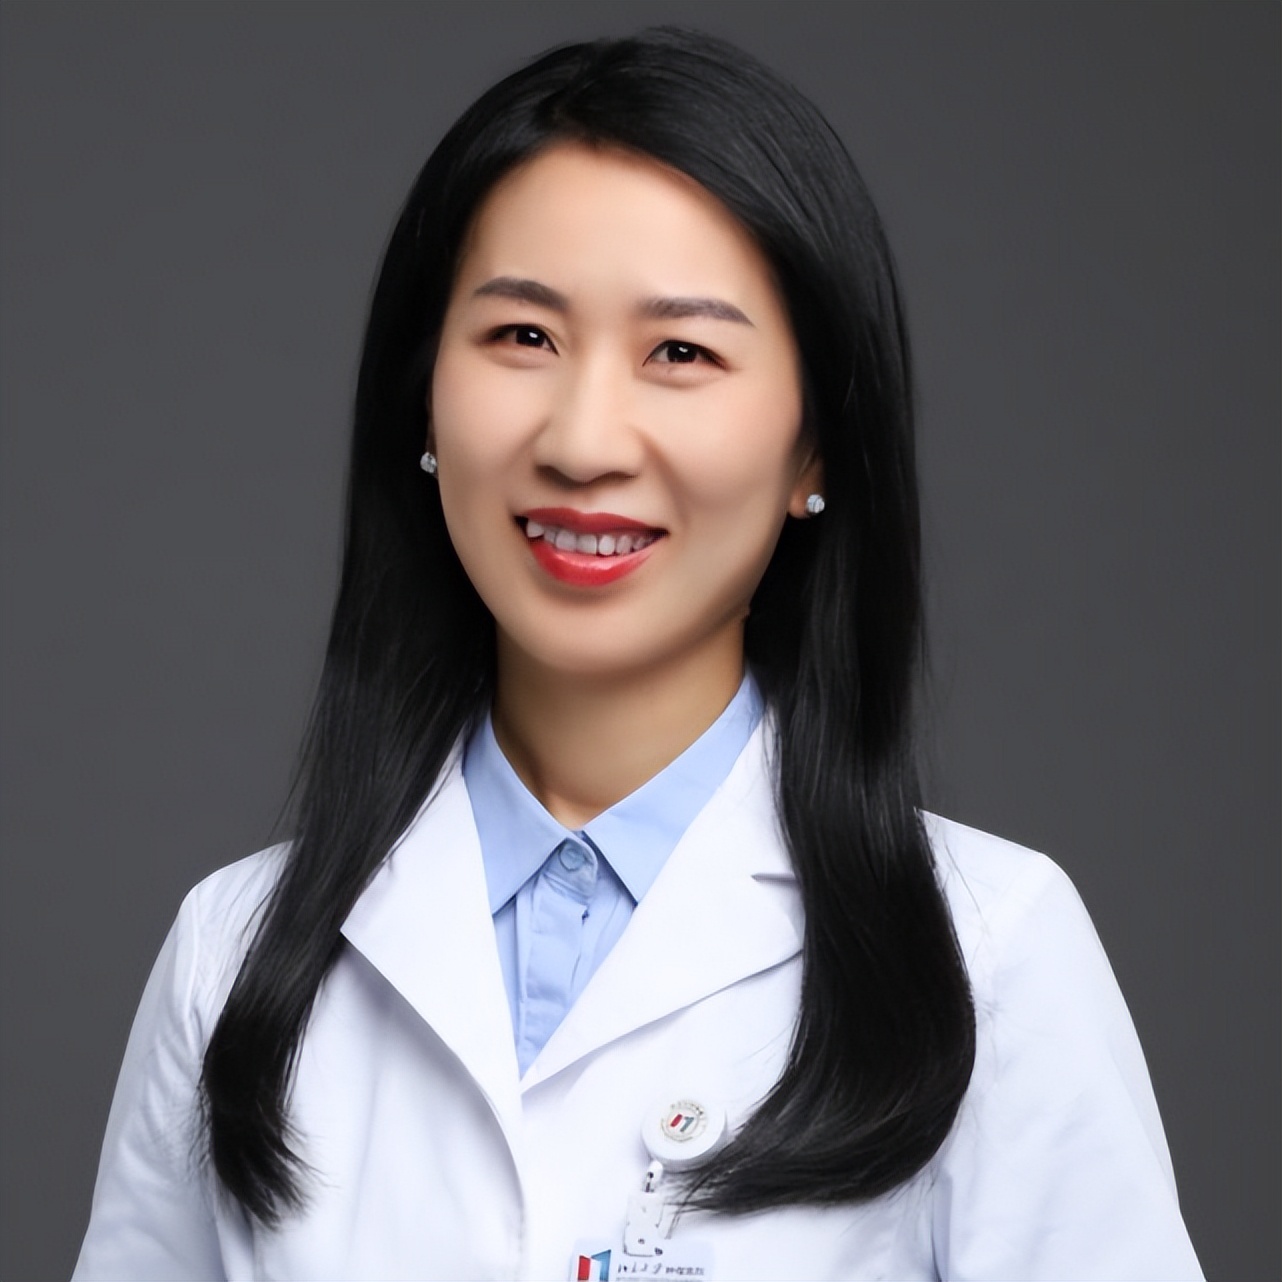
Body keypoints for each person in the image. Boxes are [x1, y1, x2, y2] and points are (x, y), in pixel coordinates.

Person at [72, 27, 1202, 1281]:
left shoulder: (985, 956)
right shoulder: (234, 953)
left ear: (815, 447)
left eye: (681, 353)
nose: (583, 440)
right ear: (422, 399)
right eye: (522, 336)